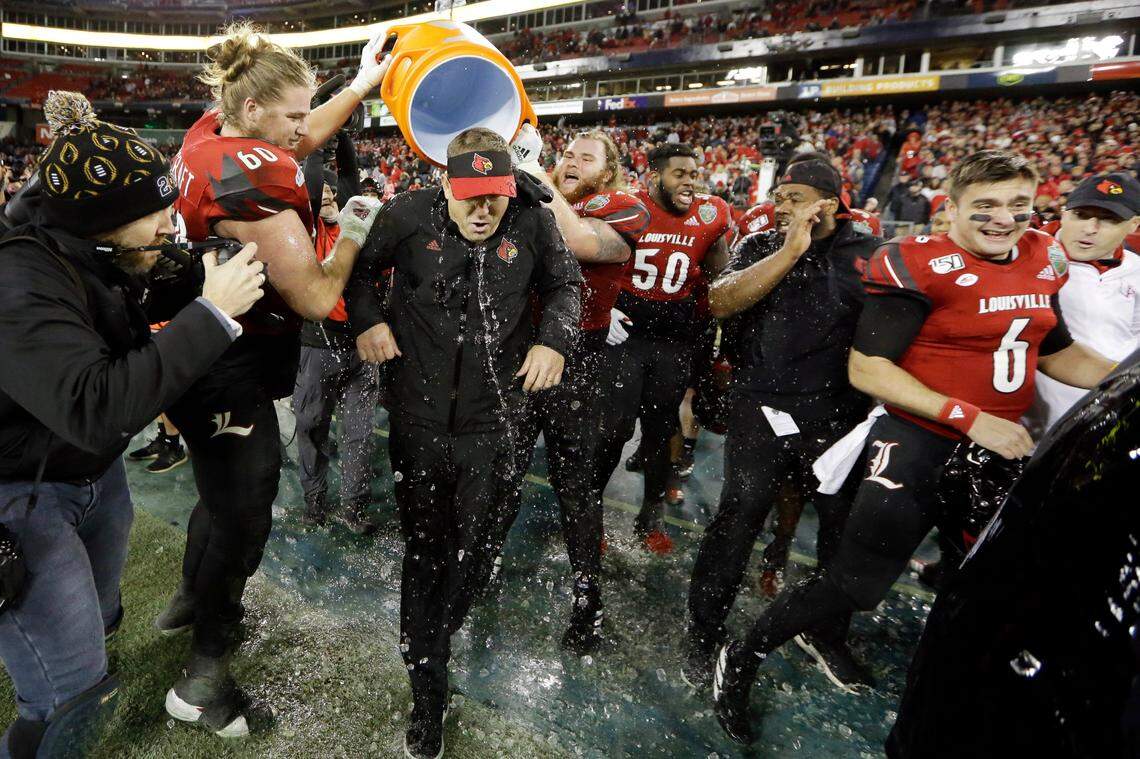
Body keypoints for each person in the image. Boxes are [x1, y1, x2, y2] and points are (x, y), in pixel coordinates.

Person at [711, 150, 1118, 746]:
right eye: (985, 205)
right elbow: (869, 368)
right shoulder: (916, 262)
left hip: (996, 448)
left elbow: (1054, 350)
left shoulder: (1040, 256)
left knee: (984, 582)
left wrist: (1125, 375)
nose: (1003, 219)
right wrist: (968, 416)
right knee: (856, 582)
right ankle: (741, 655)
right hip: (920, 439)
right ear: (950, 208)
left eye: (1019, 206)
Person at [0, 91, 264, 758]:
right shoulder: (17, 284)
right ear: (104, 220)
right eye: (157, 214)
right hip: (16, 493)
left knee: (100, 608)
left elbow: (138, 272)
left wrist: (202, 262)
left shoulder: (86, 238)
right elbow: (97, 408)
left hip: (84, 472)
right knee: (66, 698)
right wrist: (214, 313)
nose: (170, 225)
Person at [153, 23, 387, 736]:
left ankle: (191, 598)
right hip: (233, 364)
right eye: (289, 113)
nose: (298, 127)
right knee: (246, 509)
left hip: (200, 345)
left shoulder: (210, 129)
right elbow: (316, 297)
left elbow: (299, 137)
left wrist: (359, 86)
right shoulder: (256, 175)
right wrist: (352, 230)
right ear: (253, 112)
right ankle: (204, 677)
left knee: (217, 494)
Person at [346, 128, 581, 759]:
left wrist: (553, 340)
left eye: (494, 198)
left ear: (510, 187)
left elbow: (566, 286)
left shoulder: (531, 220)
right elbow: (359, 273)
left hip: (496, 424)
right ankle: (428, 686)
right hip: (418, 421)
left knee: (476, 547)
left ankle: (436, 629)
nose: (482, 212)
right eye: (469, 197)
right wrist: (366, 320)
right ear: (446, 184)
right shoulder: (404, 214)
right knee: (425, 545)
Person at [682, 159, 882, 693]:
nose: (782, 206)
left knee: (839, 529)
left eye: (795, 196)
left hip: (839, 415)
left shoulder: (871, 258)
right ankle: (703, 630)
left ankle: (825, 632)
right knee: (737, 520)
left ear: (832, 204)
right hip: (760, 406)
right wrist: (789, 249)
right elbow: (718, 301)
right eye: (779, 195)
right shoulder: (757, 245)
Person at [483, 127, 647, 653]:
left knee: (575, 483)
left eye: (586, 157)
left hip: (578, 361)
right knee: (503, 467)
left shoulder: (623, 207)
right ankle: (485, 558)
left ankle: (587, 598)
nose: (571, 160)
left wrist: (531, 171)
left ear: (607, 171)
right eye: (567, 153)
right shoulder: (531, 193)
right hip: (521, 353)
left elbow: (577, 239)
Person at [593, 143, 731, 554]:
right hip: (627, 334)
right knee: (613, 431)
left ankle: (650, 516)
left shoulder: (710, 214)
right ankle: (592, 515)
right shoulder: (624, 205)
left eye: (694, 174)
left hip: (674, 339)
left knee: (659, 431)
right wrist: (604, 304)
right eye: (679, 174)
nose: (689, 182)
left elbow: (721, 280)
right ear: (655, 176)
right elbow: (583, 250)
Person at [1029, 172, 1140, 432]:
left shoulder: (1137, 269)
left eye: (1109, 220)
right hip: (1037, 429)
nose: (1090, 229)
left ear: (1134, 225)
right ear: (1065, 213)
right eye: (1080, 215)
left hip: (1112, 419)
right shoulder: (1026, 258)